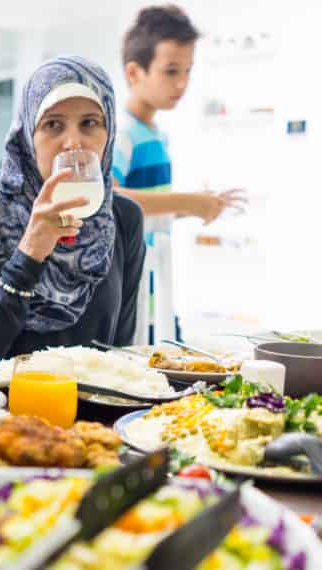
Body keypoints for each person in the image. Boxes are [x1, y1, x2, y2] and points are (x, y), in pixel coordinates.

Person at [0, 56, 145, 378]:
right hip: (2, 413)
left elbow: (122, 354)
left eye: (89, 123)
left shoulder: (122, 217)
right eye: (53, 125)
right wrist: (31, 252)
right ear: (27, 135)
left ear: (110, 132)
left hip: (93, 417)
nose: (73, 142)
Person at [113, 4, 246, 343]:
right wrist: (188, 200)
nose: (182, 83)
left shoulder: (155, 134)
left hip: (154, 285)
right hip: (128, 289)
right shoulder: (122, 133)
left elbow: (150, 210)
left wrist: (197, 206)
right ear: (134, 73)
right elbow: (111, 198)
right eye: (171, 71)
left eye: (187, 70)